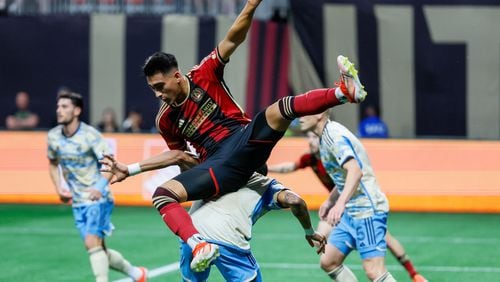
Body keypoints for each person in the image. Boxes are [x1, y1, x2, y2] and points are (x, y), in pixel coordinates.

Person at [136, 0, 366, 272]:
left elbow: (233, 37)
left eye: (161, 87)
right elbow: (181, 157)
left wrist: (251, 4)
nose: (158, 95)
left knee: (279, 108)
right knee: (164, 196)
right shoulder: (165, 119)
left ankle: (343, 93)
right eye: (153, 89)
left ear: (176, 76)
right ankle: (199, 244)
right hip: (218, 166)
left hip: (244, 140)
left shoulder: (204, 73)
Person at [100, 151, 327, 281]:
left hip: (192, 236)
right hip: (229, 243)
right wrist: (309, 232)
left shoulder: (219, 171)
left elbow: (180, 156)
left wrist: (130, 169)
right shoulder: (267, 185)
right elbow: (296, 201)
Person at [269, 132, 427, 282]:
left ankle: (414, 273)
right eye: (308, 137)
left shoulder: (332, 155)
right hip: (338, 206)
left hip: (357, 206)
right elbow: (289, 167)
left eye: (313, 137)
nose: (310, 141)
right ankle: (347, 246)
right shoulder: (310, 159)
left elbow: (349, 178)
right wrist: (267, 168)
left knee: (385, 243)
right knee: (323, 248)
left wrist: (335, 202)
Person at [47, 92, 147, 282]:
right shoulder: (53, 137)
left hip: (98, 199)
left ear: (77, 110)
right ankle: (137, 274)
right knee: (98, 249)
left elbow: (110, 163)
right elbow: (53, 163)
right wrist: (59, 188)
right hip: (78, 201)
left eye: (65, 106)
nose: (59, 110)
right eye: (58, 106)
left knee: (92, 244)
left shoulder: (90, 136)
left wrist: (99, 187)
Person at [298, 111, 394, 281]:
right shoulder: (324, 137)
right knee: (329, 261)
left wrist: (340, 203)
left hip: (367, 210)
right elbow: (344, 176)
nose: (300, 117)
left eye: (306, 112)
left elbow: (356, 171)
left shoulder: (333, 136)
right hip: (351, 211)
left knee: (374, 271)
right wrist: (330, 201)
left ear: (320, 114)